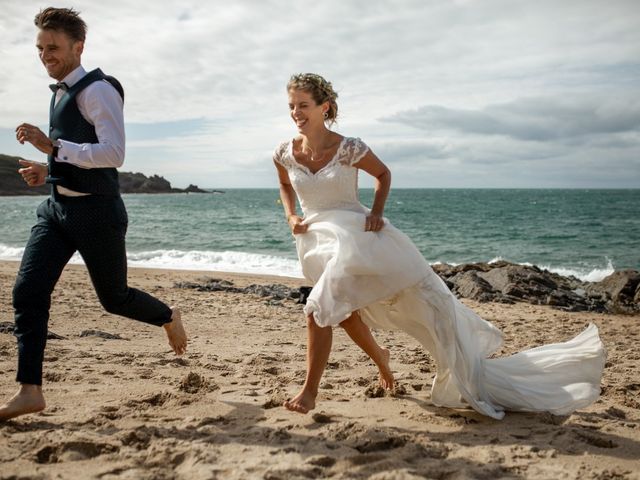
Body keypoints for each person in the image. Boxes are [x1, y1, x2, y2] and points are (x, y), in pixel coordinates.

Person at [273, 73, 605, 419]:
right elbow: (284, 182)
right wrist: (290, 215)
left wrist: (377, 213)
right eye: (292, 106)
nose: (296, 112)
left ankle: (310, 391)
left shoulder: (349, 147)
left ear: (324, 107)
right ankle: (381, 358)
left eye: (304, 105)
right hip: (315, 240)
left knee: (319, 309)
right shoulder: (285, 151)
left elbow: (383, 175)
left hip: (355, 239)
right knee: (340, 311)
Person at [0, 7, 187, 422]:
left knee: (114, 299)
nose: (45, 54)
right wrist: (48, 172)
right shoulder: (60, 91)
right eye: (40, 48)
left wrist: (52, 149)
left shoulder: (97, 90)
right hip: (56, 209)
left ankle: (167, 316)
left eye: (54, 47)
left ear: (78, 46)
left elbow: (114, 153)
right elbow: (75, 154)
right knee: (27, 293)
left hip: (97, 213)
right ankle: (29, 391)